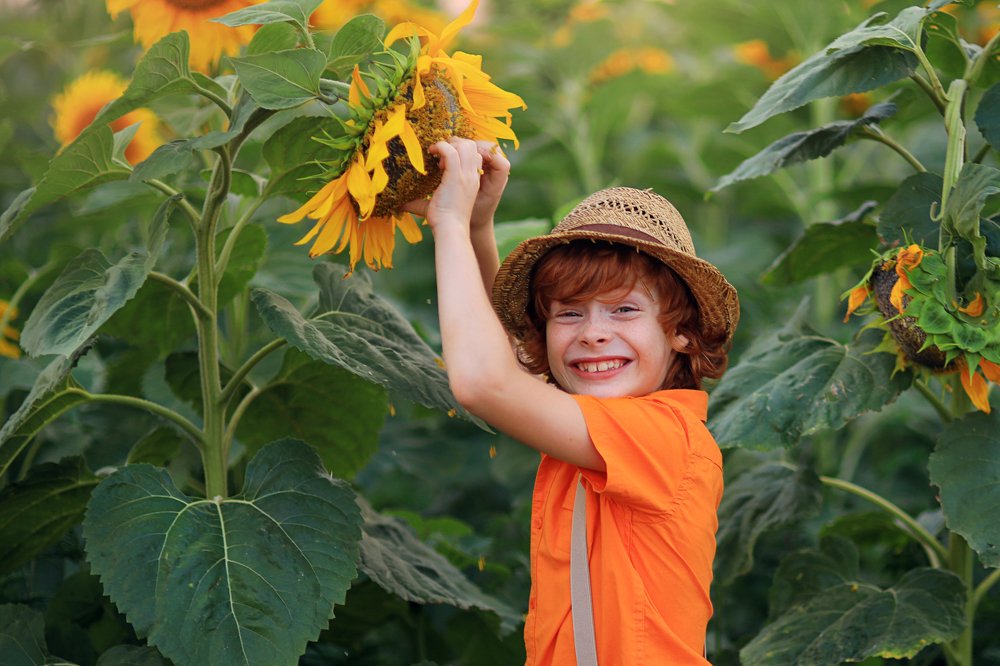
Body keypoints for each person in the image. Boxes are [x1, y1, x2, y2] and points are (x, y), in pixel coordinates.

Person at [405, 137, 739, 665]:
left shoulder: (664, 439)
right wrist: (474, 229)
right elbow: (514, 368)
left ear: (682, 333)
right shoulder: (597, 426)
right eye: (568, 313)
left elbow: (485, 383)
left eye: (624, 310)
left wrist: (446, 223)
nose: (593, 334)